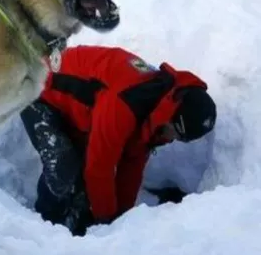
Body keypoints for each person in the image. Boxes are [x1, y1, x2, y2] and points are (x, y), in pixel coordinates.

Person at [20, 45, 217, 236]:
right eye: (176, 133)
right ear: (172, 115)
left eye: (181, 139)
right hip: (39, 90)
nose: (173, 139)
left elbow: (131, 166)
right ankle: (44, 228)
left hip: (79, 113)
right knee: (63, 165)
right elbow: (99, 168)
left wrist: (122, 220)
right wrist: (105, 221)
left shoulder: (155, 112)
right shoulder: (127, 101)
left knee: (84, 190)